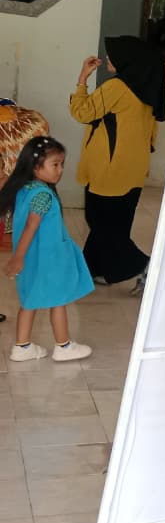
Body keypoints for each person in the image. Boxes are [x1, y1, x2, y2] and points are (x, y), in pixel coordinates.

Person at [70, 40, 165, 293]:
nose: (108, 59)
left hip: (108, 168)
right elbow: (152, 134)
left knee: (102, 223)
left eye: (113, 55)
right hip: (133, 169)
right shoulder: (147, 90)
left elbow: (82, 112)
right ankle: (94, 270)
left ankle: (146, 266)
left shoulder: (117, 87)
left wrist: (82, 79)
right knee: (115, 223)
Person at [1, 137, 94, 362]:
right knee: (58, 301)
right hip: (49, 259)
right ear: (35, 167)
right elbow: (31, 227)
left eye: (62, 164)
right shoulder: (42, 194)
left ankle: (22, 347)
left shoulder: (25, 189)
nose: (60, 170)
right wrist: (17, 258)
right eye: (55, 164)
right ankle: (64, 346)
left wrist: (21, 257)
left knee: (29, 301)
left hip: (33, 259)